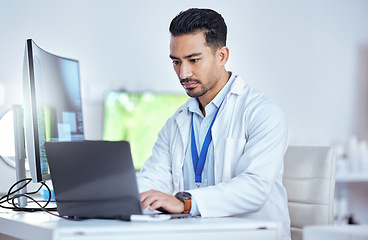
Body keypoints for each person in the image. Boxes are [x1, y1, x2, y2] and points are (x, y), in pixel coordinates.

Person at [138, 8, 291, 240]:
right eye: (176, 62)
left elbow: (254, 188)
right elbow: (153, 179)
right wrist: (122, 195)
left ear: (222, 56)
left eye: (193, 60)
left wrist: (186, 203)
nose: (183, 73)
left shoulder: (263, 113)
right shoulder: (176, 122)